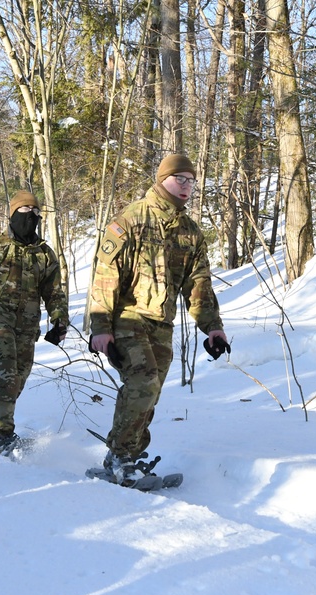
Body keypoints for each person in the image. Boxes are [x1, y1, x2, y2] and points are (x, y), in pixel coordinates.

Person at [87, 154, 229, 485]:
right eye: (179, 178)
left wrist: (212, 328)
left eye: (191, 181)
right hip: (126, 317)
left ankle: (126, 456)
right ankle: (122, 457)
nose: (186, 186)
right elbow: (105, 275)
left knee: (150, 392)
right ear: (162, 179)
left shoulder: (190, 232)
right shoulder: (132, 219)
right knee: (143, 380)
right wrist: (100, 328)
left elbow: (199, 285)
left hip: (161, 324)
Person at [0, 190, 68, 455]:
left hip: (28, 324)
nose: (30, 216)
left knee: (15, 380)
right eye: (23, 211)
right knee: (6, 375)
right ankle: (5, 438)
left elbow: (53, 291)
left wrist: (60, 321)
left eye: (35, 212)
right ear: (12, 214)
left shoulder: (44, 253)